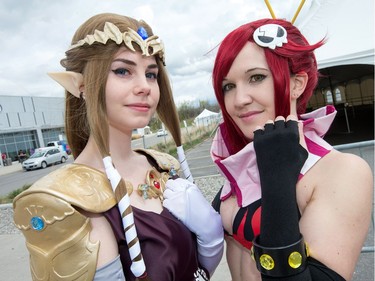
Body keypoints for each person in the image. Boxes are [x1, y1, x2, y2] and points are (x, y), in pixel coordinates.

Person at [13, 13, 223, 281]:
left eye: (151, 74)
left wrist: (212, 242)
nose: (144, 87)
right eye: (123, 70)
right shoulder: (63, 202)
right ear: (82, 85)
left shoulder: (161, 165)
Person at [210, 18, 373, 281]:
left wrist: (277, 183)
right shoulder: (241, 164)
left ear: (297, 84)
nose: (239, 100)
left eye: (256, 77)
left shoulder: (343, 171)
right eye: (228, 86)